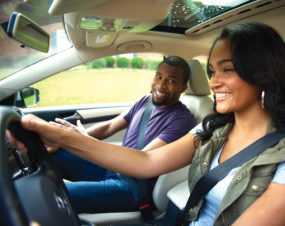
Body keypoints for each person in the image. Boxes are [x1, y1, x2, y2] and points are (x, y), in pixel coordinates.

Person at [12, 22, 285, 226]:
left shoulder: (280, 157)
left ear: (261, 72)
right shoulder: (212, 130)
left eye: (228, 69)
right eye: (212, 71)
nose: (214, 82)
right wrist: (63, 137)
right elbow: (147, 161)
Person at [46, 55, 197, 213]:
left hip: (135, 187)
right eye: (159, 76)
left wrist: (79, 140)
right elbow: (110, 126)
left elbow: (141, 159)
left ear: (183, 87)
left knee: (58, 195)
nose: (161, 85)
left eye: (171, 81)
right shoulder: (145, 101)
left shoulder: (183, 120)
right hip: (113, 168)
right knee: (54, 154)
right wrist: (72, 139)